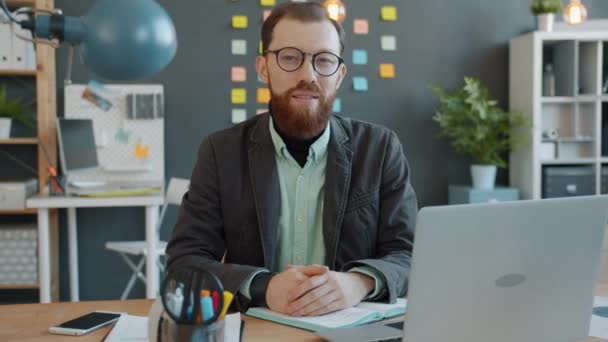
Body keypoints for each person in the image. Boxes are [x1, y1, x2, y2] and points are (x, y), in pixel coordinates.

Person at [166, 1, 417, 317]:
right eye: (289, 58)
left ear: (339, 75)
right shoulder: (220, 152)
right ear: (263, 68)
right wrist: (265, 287)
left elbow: (408, 256)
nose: (307, 74)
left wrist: (359, 282)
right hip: (258, 331)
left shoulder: (380, 149)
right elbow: (184, 264)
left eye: (323, 60)